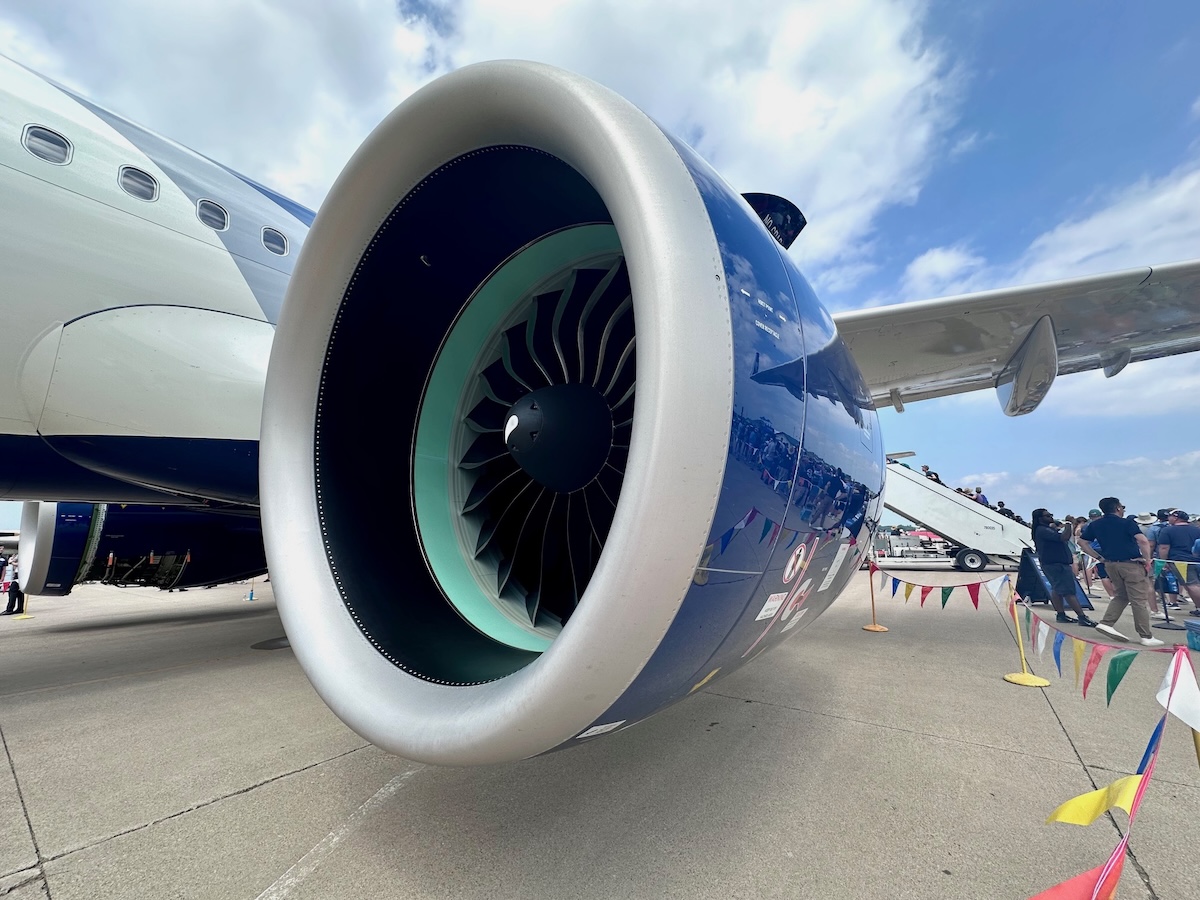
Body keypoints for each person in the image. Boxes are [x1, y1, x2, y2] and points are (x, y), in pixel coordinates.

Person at [1079, 498, 1162, 646]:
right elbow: (1142, 541)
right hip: (1130, 563)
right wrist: (1147, 559)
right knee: (1138, 599)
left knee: (1121, 595)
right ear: (1117, 508)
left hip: (1110, 564)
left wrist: (1098, 557)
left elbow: (1082, 542)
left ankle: (1107, 622)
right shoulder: (1127, 523)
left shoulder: (1096, 524)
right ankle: (1146, 636)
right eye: (1122, 507)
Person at [1030, 509, 1095, 626]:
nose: (1051, 516)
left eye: (1051, 514)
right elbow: (1064, 537)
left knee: (1057, 589)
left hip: (1052, 563)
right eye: (1047, 515)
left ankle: (1061, 614)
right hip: (1056, 564)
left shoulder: (1045, 529)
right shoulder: (1042, 530)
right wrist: (1069, 524)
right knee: (1069, 591)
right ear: (1040, 518)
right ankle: (1082, 617)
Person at [1156, 509, 1200, 616]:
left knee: (1191, 585)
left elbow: (1164, 547)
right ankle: (1198, 607)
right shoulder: (1196, 530)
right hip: (1197, 560)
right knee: (1192, 585)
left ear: (1175, 517)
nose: (1168, 518)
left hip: (1180, 561)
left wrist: (1164, 561)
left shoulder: (1167, 530)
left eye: (1170, 516)